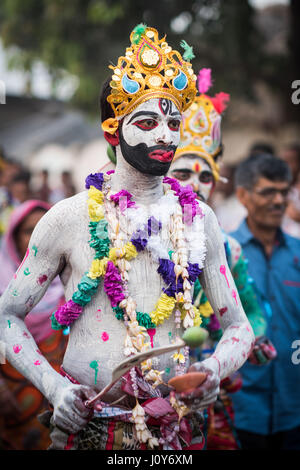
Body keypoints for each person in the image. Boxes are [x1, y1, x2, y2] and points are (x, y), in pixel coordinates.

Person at [0, 25, 254, 451]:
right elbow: (7, 317)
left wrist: (212, 370)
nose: (164, 135)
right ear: (112, 131)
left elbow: (239, 328)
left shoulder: (200, 218)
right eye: (148, 121)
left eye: (174, 122)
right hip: (90, 429)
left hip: (179, 430)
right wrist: (54, 388)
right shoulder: (69, 218)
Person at [168, 68, 275, 449]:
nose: (195, 185)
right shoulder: (135, 241)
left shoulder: (228, 249)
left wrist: (257, 336)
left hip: (214, 387)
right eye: (182, 173)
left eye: (205, 176)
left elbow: (250, 311)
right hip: (149, 392)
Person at [231, 152, 300, 449]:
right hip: (240, 407)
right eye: (267, 191)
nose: (278, 200)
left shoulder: (298, 252)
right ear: (243, 196)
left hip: (294, 407)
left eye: (284, 191)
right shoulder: (225, 253)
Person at [0, 200, 66, 450]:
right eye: (30, 231)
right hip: (15, 397)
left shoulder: (71, 284)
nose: (39, 237)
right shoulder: (2, 284)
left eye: (45, 228)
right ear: (14, 239)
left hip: (62, 403)